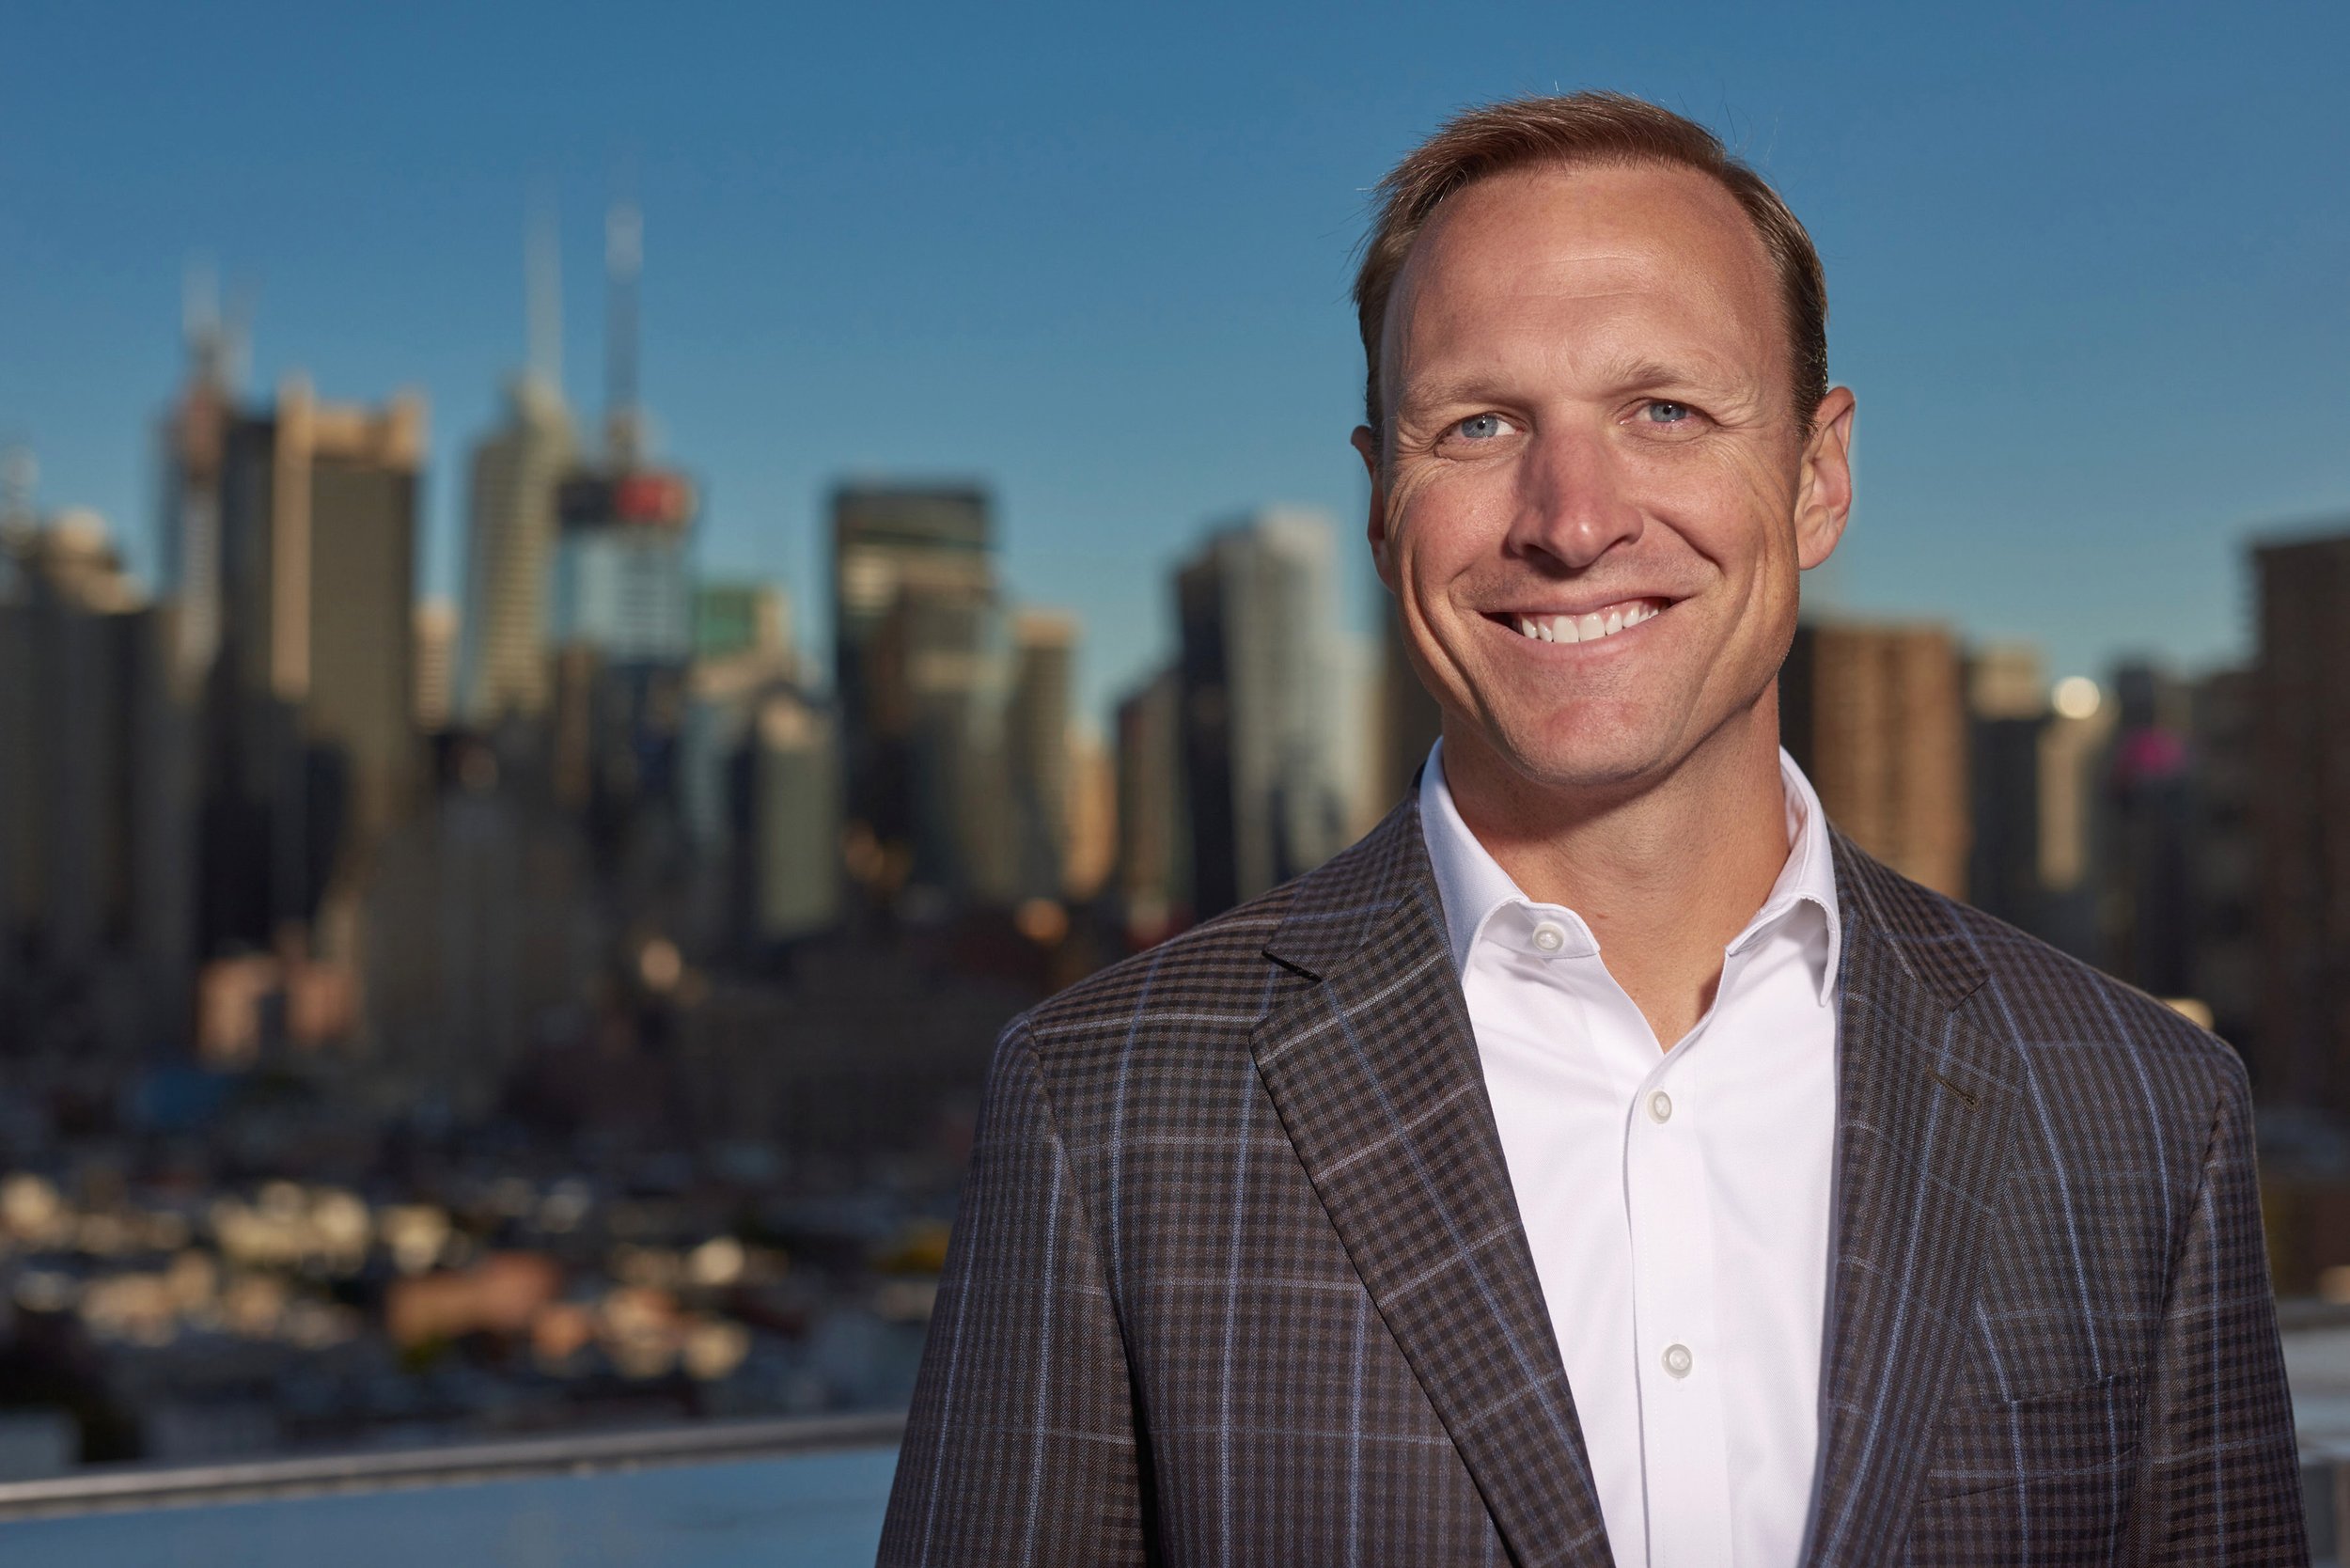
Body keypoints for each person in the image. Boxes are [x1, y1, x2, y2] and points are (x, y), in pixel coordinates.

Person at [876, 91, 2307, 1566]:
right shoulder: (1106, 1105)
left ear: (1819, 476)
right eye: (1480, 423)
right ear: (1382, 498)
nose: (1570, 520)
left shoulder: (2141, 1106)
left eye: (1665, 411)